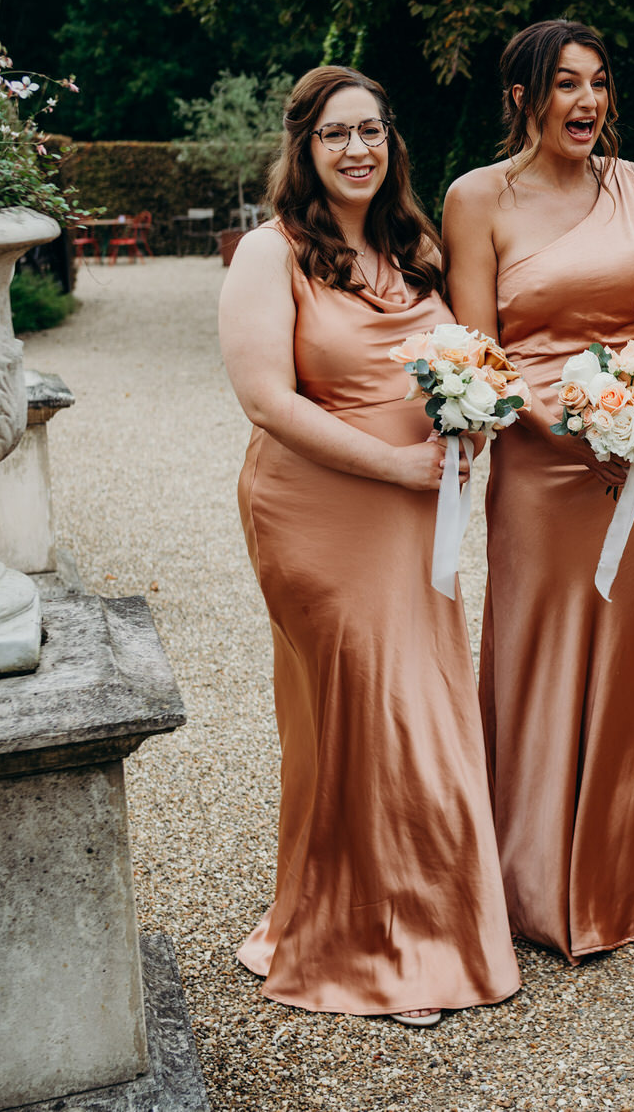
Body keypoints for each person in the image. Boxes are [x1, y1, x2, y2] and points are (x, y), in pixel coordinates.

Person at [218, 66, 519, 1026]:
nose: (358, 149)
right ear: (302, 146)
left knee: (415, 699)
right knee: (368, 703)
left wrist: (469, 423)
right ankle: (377, 949)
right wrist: (396, 470)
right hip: (316, 508)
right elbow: (268, 399)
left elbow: (459, 363)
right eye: (337, 134)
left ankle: (408, 920)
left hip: (417, 509)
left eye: (374, 131)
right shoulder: (270, 255)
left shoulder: (414, 245)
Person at [443, 19, 634, 963]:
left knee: (626, 659)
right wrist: (565, 425)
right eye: (565, 85)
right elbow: (480, 352)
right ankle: (529, 883)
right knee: (536, 650)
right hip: (540, 463)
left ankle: (609, 879)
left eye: (599, 83)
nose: (587, 102)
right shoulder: (477, 198)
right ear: (524, 98)